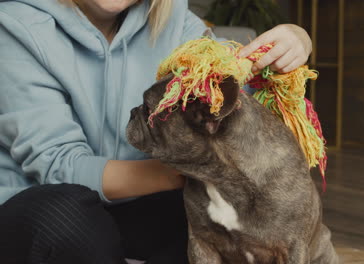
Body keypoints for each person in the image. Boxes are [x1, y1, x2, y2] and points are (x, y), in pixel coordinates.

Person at [0, 0, 313, 263]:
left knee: (216, 219)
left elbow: (234, 92)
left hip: (139, 203)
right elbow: (58, 166)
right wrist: (193, 170)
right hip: (36, 205)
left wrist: (293, 40)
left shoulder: (173, 20)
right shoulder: (14, 26)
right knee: (64, 220)